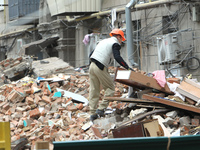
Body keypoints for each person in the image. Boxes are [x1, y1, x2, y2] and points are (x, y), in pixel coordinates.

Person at [89, 28, 133, 121]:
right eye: (122, 39)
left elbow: (91, 54)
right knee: (110, 89)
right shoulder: (115, 43)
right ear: (118, 36)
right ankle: (101, 109)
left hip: (91, 65)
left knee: (94, 90)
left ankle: (92, 114)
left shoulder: (103, 41)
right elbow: (117, 57)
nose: (121, 42)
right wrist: (127, 67)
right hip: (100, 66)